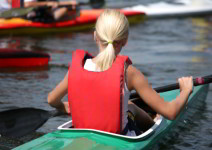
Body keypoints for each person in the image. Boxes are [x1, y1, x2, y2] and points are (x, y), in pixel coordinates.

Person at [47, 9, 193, 136]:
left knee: (130, 105)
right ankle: (152, 128)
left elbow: (51, 100)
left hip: (82, 134)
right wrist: (185, 91)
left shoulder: (78, 67)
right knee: (133, 108)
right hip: (121, 138)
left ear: (95, 36)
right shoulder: (129, 72)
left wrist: (64, 106)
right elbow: (171, 112)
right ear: (125, 40)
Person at [11, 0, 78, 22]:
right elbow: (27, 4)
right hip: (33, 17)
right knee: (66, 9)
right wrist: (47, 3)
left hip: (23, 14)